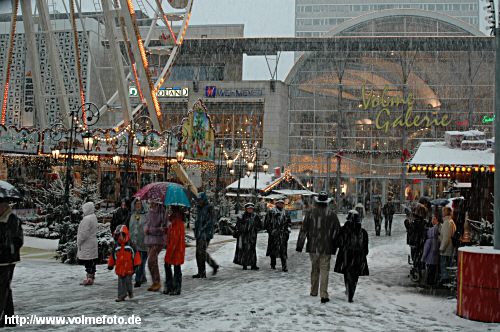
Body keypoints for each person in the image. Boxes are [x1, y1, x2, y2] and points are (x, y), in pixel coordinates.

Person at [296, 192, 341, 304]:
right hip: (326, 247)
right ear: (326, 202)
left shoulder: (310, 213)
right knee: (325, 270)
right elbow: (337, 232)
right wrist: (336, 245)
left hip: (313, 246)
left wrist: (299, 245)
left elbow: (304, 230)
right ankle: (324, 294)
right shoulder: (331, 214)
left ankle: (313, 290)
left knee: (315, 269)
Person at [334, 210, 369, 303]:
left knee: (347, 273)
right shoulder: (363, 232)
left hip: (346, 255)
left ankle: (348, 288)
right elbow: (366, 249)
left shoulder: (343, 230)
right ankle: (351, 291)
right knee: (355, 275)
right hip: (358, 257)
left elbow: (338, 243)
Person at [0, 199, 23, 327]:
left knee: (2, 288)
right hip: (2, 260)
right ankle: (9, 318)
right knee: (5, 289)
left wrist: (7, 248)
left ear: (4, 207)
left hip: (7, 260)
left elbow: (17, 240)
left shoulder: (12, 220)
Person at [108, 225, 142, 302]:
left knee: (128, 282)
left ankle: (130, 292)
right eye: (116, 236)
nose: (118, 238)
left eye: (119, 235)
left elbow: (136, 255)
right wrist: (110, 264)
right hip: (120, 268)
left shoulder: (130, 245)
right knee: (121, 283)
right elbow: (112, 256)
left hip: (129, 268)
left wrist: (137, 264)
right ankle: (121, 295)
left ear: (124, 234)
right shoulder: (116, 246)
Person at [193, 192, 219, 278]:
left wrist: (203, 228)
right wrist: (196, 228)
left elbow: (211, 221)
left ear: (204, 199)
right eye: (198, 200)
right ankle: (201, 271)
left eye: (200, 200)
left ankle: (209, 268)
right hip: (199, 233)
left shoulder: (209, 208)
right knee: (198, 253)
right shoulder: (199, 208)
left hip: (206, 234)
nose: (198, 201)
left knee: (201, 252)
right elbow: (198, 221)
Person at [163, 205, 186, 295]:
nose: (170, 210)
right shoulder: (173, 220)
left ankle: (175, 287)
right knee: (173, 267)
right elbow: (170, 233)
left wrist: (170, 251)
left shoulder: (177, 221)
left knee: (175, 267)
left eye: (171, 208)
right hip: (175, 248)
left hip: (176, 249)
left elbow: (175, 238)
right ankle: (172, 286)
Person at [144, 201, 166, 291]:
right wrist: (145, 228)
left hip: (158, 241)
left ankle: (157, 282)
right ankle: (155, 282)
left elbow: (164, 228)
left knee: (151, 261)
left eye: (153, 201)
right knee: (152, 262)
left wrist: (151, 230)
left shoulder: (162, 212)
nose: (151, 203)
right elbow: (146, 223)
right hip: (150, 240)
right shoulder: (150, 212)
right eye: (151, 201)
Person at [264, 199, 291, 272]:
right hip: (274, 234)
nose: (281, 205)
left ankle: (284, 266)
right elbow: (266, 223)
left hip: (283, 234)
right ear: (276, 204)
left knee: (283, 250)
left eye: (282, 203)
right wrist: (271, 231)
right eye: (279, 203)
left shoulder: (285, 212)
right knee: (273, 250)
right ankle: (273, 264)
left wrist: (287, 230)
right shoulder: (271, 212)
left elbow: (289, 222)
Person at [233, 202, 262, 270]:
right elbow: (238, 226)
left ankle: (253, 264)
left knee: (252, 250)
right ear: (246, 209)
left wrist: (255, 229)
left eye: (251, 208)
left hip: (252, 236)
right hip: (244, 236)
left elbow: (260, 225)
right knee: (244, 250)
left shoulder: (255, 216)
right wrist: (242, 229)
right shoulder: (242, 216)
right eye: (248, 208)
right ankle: (244, 264)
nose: (250, 209)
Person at [77, 202, 98, 286]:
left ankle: (89, 278)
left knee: (88, 262)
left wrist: (79, 241)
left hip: (87, 243)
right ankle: (91, 277)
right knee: (92, 261)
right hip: (92, 242)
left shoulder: (87, 219)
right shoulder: (93, 217)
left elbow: (83, 233)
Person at [128, 199, 148, 288]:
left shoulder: (146, 215)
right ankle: (142, 278)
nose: (138, 205)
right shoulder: (132, 215)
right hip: (134, 244)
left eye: (139, 204)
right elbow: (130, 228)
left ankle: (138, 279)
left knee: (141, 262)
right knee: (137, 262)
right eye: (136, 204)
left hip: (144, 243)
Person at [439, 206, 456, 285]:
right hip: (449, 248)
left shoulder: (447, 222)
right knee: (447, 265)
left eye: (443, 211)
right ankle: (447, 280)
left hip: (446, 249)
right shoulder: (450, 221)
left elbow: (446, 237)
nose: (442, 213)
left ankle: (445, 280)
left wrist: (442, 248)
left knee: (444, 265)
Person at [422, 216, 440, 286]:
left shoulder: (428, 241)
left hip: (429, 260)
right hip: (435, 260)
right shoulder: (437, 240)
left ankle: (429, 282)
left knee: (429, 272)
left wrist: (423, 258)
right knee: (433, 271)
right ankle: (432, 281)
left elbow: (425, 251)